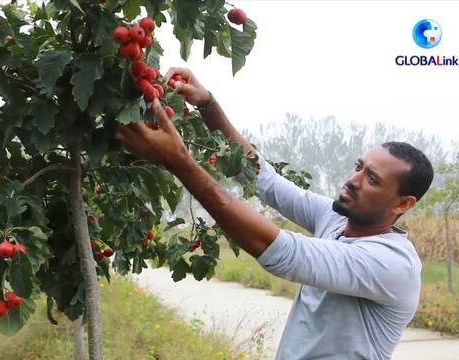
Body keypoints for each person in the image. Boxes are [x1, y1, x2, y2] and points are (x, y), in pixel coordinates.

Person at [115, 67, 434, 360]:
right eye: (358, 167)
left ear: (402, 204)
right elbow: (260, 176)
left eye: (372, 179)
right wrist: (208, 105)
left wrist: (180, 161)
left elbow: (279, 249)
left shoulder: (392, 264)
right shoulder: (337, 219)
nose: (353, 180)